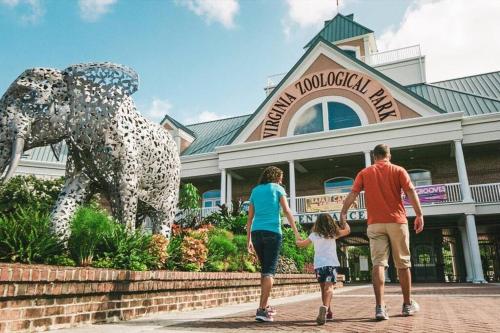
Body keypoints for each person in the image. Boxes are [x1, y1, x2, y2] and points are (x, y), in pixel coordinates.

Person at [340, 143, 424, 320]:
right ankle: (407, 305)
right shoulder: (398, 170)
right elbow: (410, 191)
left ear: (374, 157)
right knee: (403, 263)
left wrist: (343, 212)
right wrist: (419, 214)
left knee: (378, 263)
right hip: (397, 221)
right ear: (389, 155)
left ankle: (379, 307)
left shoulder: (365, 172)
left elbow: (353, 194)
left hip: (375, 224)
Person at [246, 166, 300, 322]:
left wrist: (247, 239)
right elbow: (287, 211)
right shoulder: (278, 189)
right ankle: (261, 310)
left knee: (264, 270)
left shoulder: (255, 190)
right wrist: (296, 233)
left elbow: (249, 218)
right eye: (281, 178)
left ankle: (265, 305)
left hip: (256, 233)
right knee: (269, 271)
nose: (282, 181)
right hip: (272, 232)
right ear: (276, 177)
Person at [295, 213, 350, 325]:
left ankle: (328, 311)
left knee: (323, 289)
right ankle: (325, 307)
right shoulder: (333, 233)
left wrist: (298, 240)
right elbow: (348, 230)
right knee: (329, 288)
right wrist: (344, 220)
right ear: (330, 222)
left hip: (319, 266)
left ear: (317, 223)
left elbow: (301, 245)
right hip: (331, 265)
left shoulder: (314, 235)